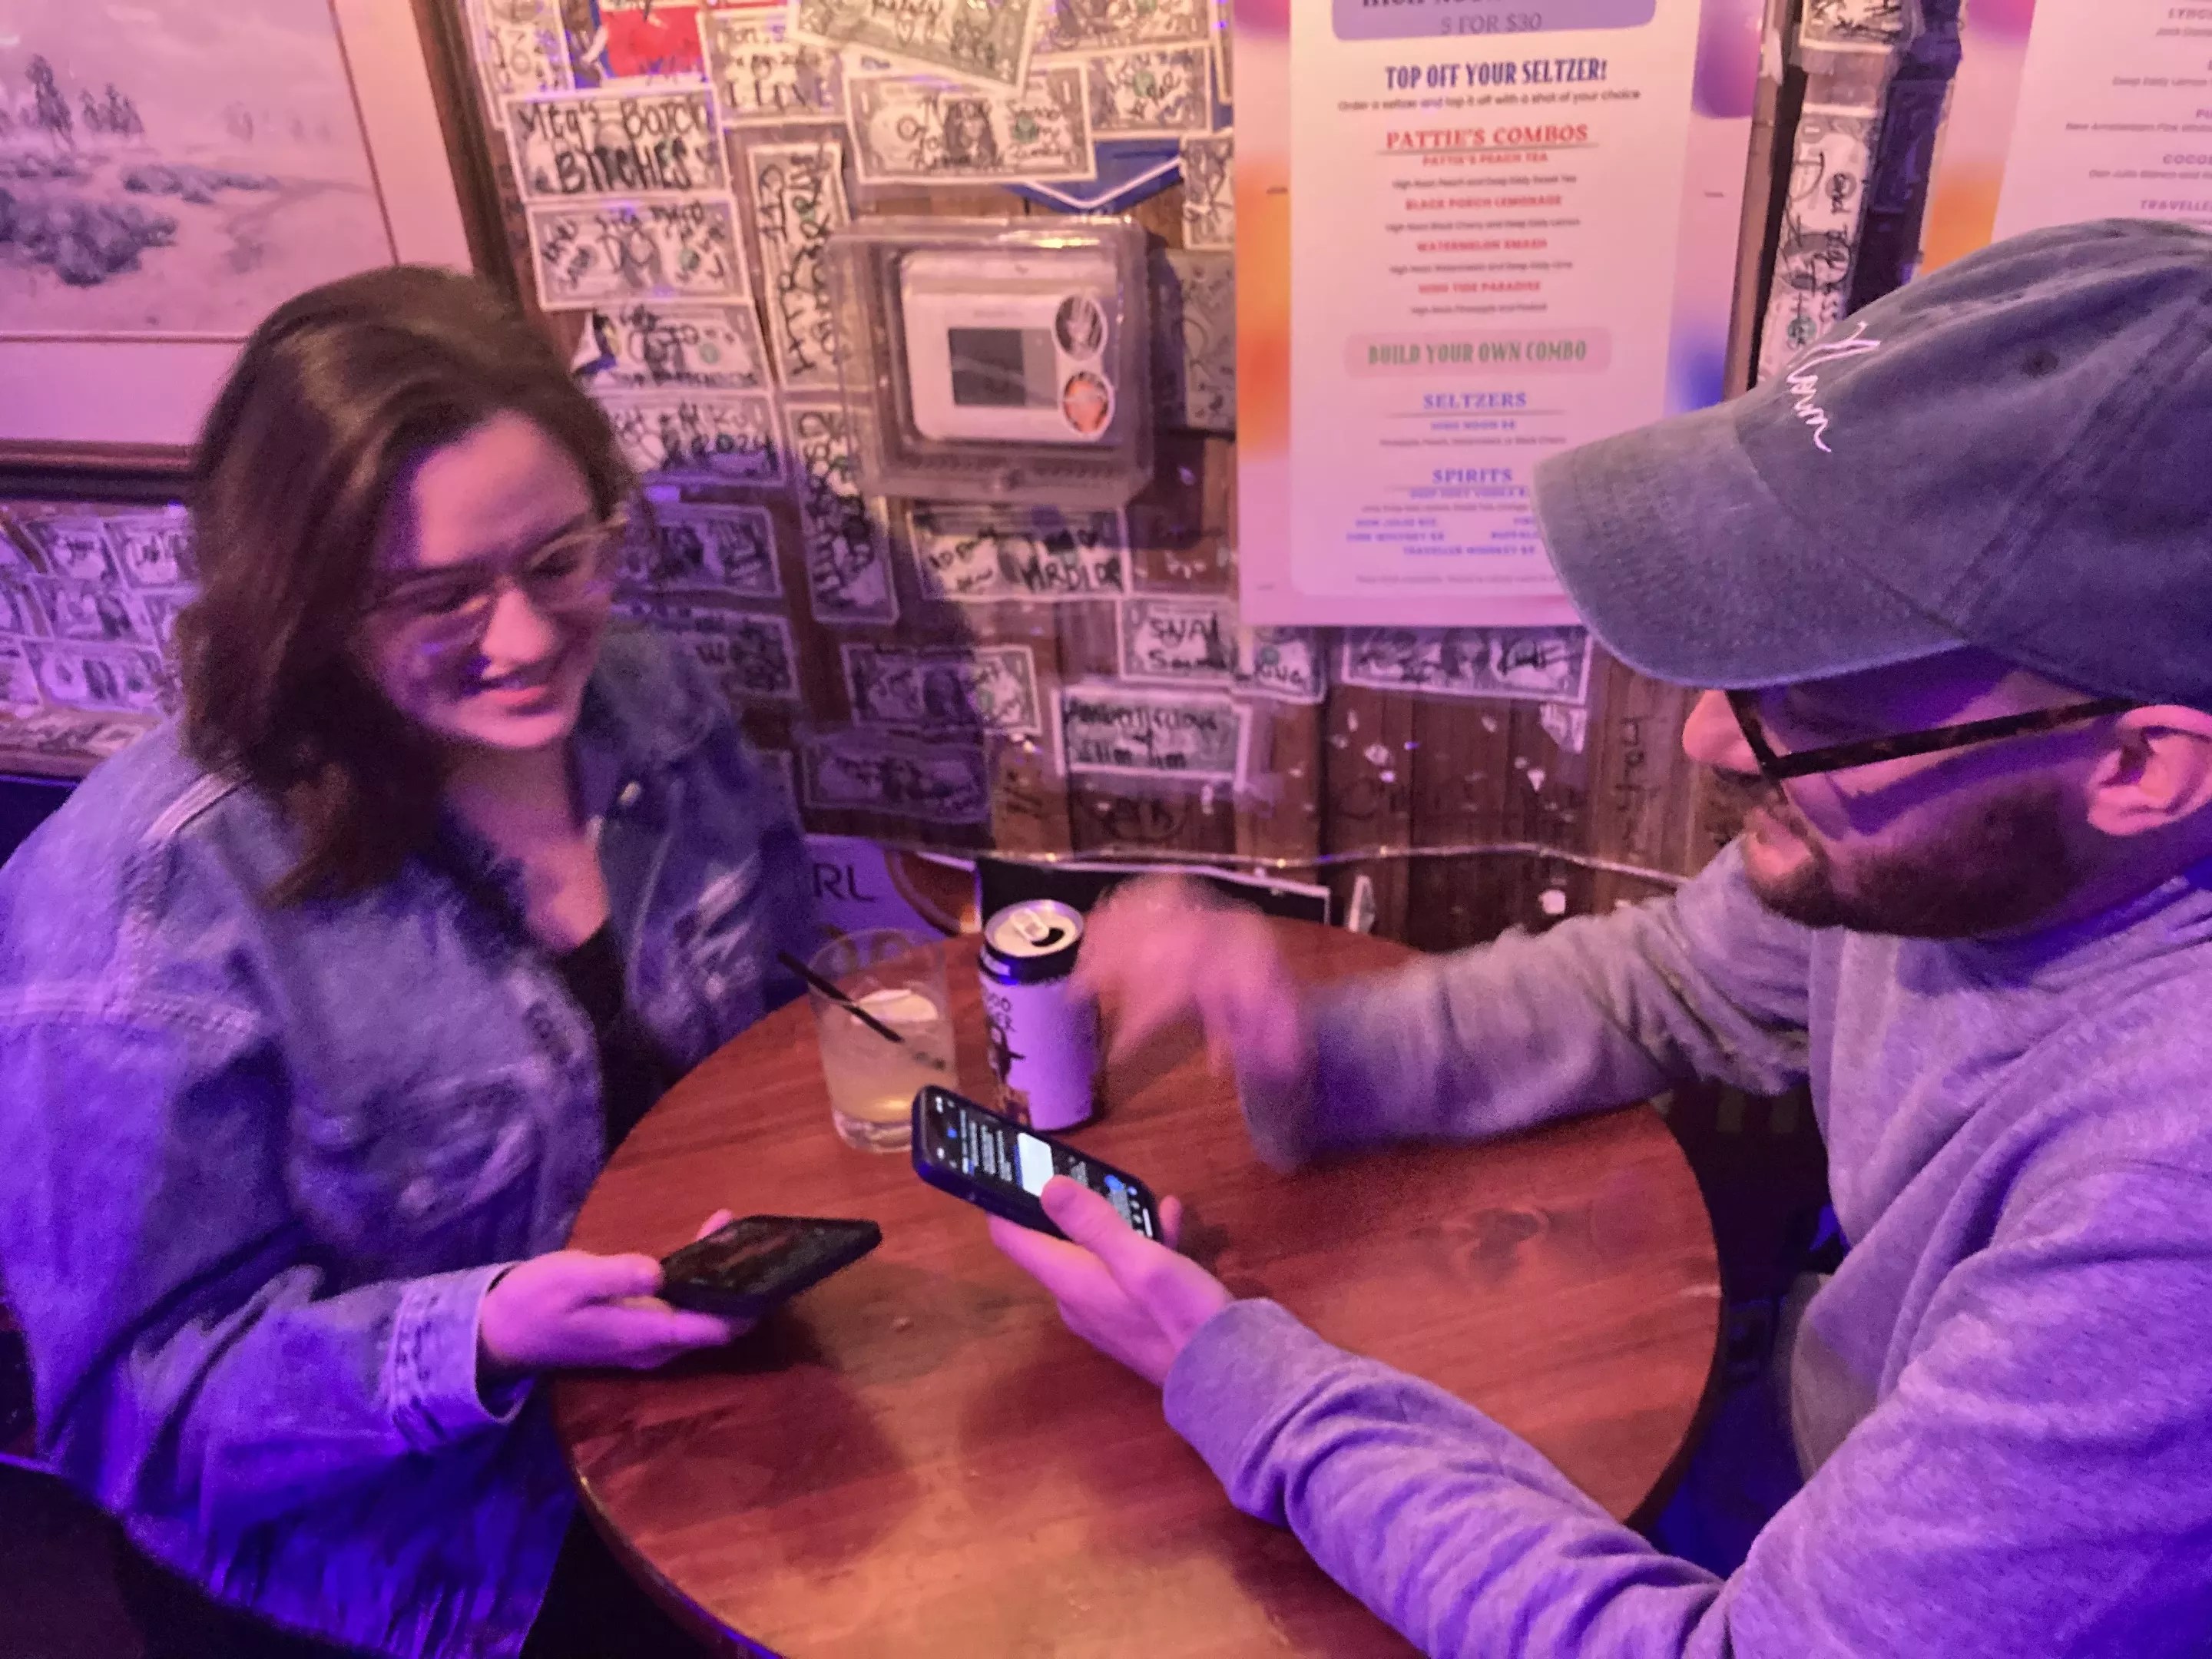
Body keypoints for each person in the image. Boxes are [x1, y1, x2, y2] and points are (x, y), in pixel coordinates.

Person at [992, 217, 2212, 1654]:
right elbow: (1675, 978)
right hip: (1802, 1461)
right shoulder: (1970, 857)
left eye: (1813, 711)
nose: (1709, 740)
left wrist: (1237, 1378)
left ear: (2142, 768)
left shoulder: (2168, 1211)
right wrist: (1308, 1047)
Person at [0, 267, 819, 1657]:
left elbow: (778, 1030)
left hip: (690, 1434)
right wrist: (485, 1333)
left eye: (560, 560)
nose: (528, 639)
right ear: (307, 601)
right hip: (416, 1577)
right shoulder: (148, 895)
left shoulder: (650, 698)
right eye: (438, 596)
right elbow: (136, 1414)